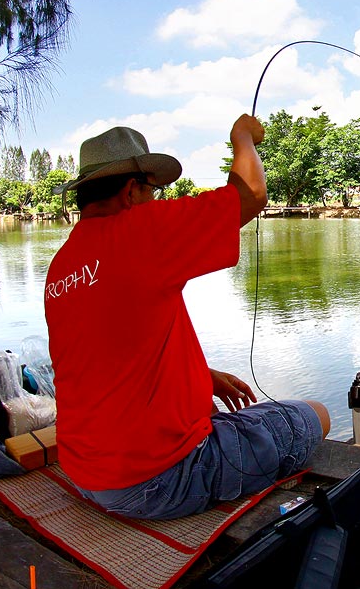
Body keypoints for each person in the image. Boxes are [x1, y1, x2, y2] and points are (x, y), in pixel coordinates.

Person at [44, 114, 330, 519]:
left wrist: (201, 375)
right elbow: (250, 194)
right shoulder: (138, 231)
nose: (157, 200)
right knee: (315, 414)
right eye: (154, 190)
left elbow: (105, 353)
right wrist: (243, 137)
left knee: (234, 416)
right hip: (155, 481)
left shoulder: (63, 266)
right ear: (131, 191)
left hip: (84, 472)